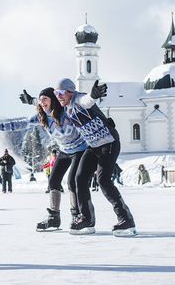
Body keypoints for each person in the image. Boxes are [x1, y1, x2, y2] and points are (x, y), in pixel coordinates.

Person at [0, 87, 88, 231]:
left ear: (53, 100)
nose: (42, 103)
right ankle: (54, 217)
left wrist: (104, 122)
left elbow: (83, 109)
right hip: (64, 151)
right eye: (40, 101)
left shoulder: (66, 111)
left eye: (45, 100)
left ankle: (77, 215)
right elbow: (20, 124)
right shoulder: (41, 116)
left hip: (80, 149)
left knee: (72, 182)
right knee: (53, 181)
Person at [53, 78, 136, 236]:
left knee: (103, 180)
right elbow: (46, 102)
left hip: (109, 142)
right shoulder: (65, 105)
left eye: (61, 93)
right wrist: (32, 101)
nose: (59, 96)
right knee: (80, 178)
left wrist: (93, 94)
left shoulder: (78, 99)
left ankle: (126, 219)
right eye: (56, 93)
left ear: (70, 92)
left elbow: (87, 101)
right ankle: (87, 219)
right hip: (93, 146)